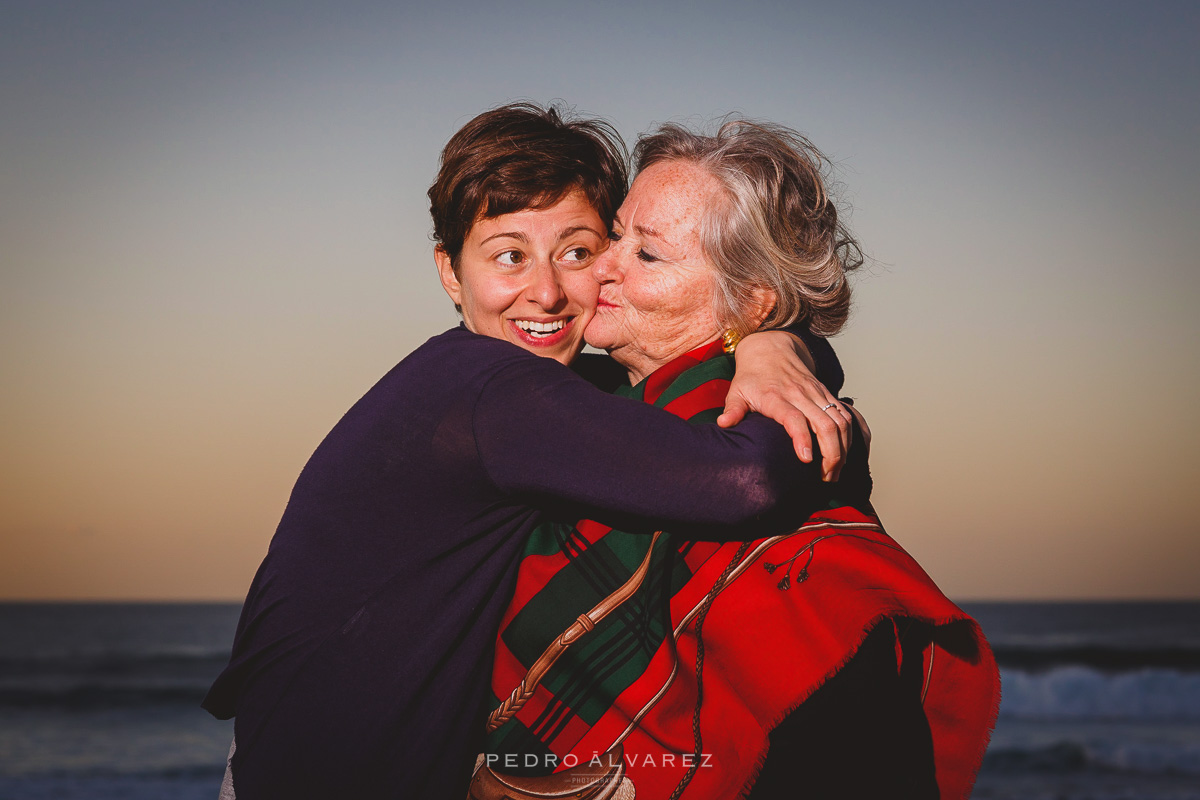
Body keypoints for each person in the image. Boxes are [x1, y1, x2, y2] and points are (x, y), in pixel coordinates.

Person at [203, 104, 854, 800]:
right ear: (451, 275)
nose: (548, 291)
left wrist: (774, 342)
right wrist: (785, 349)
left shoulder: (526, 388)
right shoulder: (493, 393)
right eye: (509, 256)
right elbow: (746, 480)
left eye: (577, 251)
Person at [480, 121, 999, 800]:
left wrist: (780, 344)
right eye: (615, 234)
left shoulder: (784, 473)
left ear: (750, 304)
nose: (599, 264)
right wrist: (782, 344)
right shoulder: (580, 413)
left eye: (648, 255)